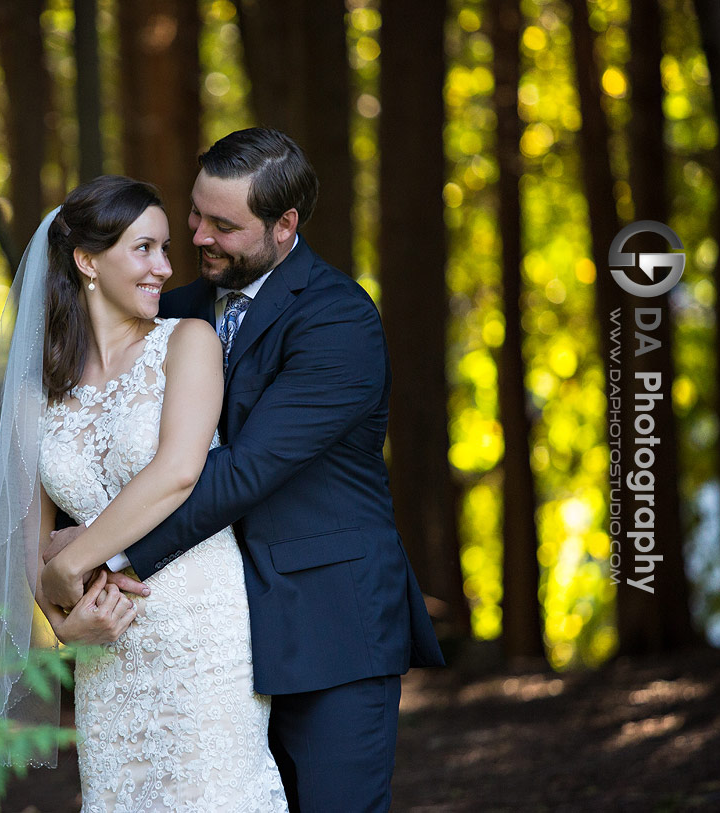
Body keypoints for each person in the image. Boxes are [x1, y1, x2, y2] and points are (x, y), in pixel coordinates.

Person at [41, 128, 446, 812]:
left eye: (223, 225)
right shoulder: (176, 312)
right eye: (196, 214)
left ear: (285, 226)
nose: (198, 237)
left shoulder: (338, 319)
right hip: (209, 637)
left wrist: (99, 558)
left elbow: (243, 470)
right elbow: (112, 436)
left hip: (328, 627)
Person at [0, 174, 288, 811]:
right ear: (86, 261)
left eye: (166, 249)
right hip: (106, 648)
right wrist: (63, 623)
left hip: (202, 629)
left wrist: (75, 563)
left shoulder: (188, 342)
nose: (164, 267)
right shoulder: (36, 390)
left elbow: (178, 472)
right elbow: (27, 532)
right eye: (145, 249)